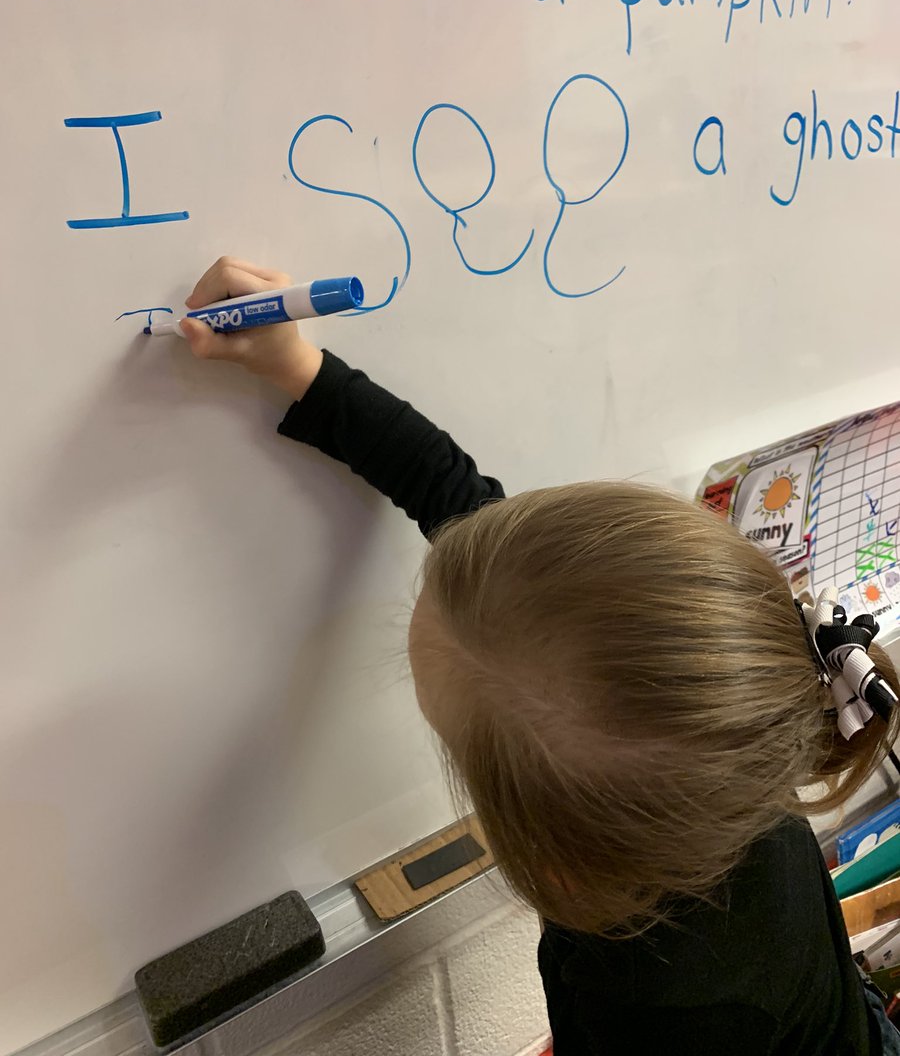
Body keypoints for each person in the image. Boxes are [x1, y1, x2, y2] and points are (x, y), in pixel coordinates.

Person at [181, 257, 900, 1055]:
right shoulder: (713, 761)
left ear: (549, 867)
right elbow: (450, 493)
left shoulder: (663, 1012)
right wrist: (299, 368)